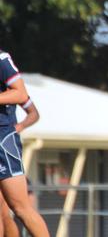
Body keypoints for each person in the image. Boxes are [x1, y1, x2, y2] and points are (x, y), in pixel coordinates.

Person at [0, 50, 49, 236]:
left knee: (18, 208)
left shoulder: (1, 60)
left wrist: (19, 127)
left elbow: (23, 97)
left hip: (3, 141)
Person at [0, 98, 41, 237]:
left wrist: (19, 126)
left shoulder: (10, 85)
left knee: (12, 210)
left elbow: (33, 113)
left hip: (6, 151)